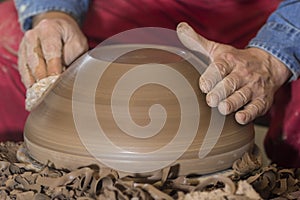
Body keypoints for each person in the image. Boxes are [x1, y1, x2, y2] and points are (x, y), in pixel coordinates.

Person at [1, 0, 297, 166]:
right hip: (130, 8)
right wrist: (52, 15)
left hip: (269, 18)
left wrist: (272, 57)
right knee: (14, 48)